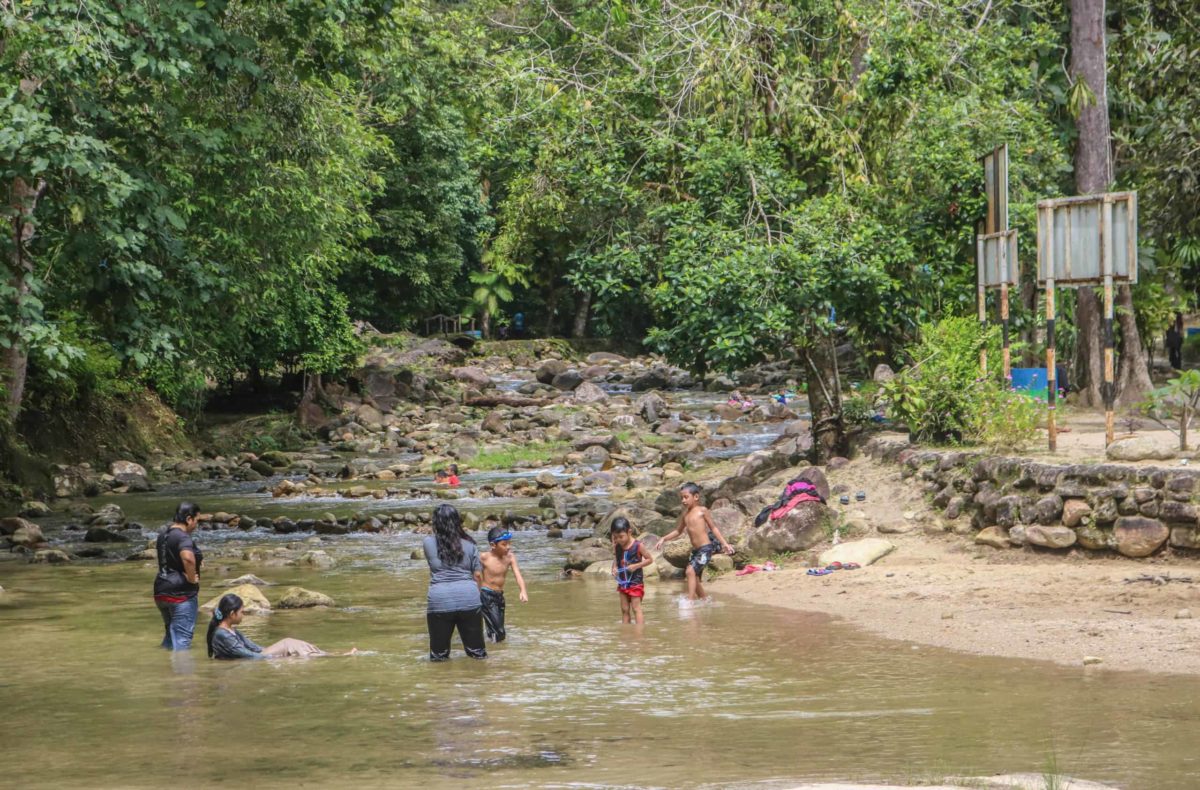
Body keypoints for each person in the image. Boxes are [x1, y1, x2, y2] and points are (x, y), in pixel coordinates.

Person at [423, 504, 487, 661]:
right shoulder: (471, 545)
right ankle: (481, 682)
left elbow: (434, 567)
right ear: (458, 522)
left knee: (439, 656)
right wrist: (476, 595)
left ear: (436, 523)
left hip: (440, 600)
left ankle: (443, 683)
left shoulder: (428, 543)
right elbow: (478, 575)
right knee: (477, 653)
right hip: (469, 598)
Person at [205, 594, 356, 659]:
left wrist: (279, 653)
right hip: (252, 659)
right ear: (232, 614)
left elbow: (254, 647)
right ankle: (334, 656)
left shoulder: (229, 630)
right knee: (288, 643)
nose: (243, 615)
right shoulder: (222, 634)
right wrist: (276, 658)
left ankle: (330, 655)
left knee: (295, 648)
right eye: (241, 612)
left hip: (256, 655)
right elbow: (248, 655)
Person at [657, 482, 734, 601]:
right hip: (696, 550)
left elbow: (713, 528)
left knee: (690, 571)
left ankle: (690, 600)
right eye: (681, 497)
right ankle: (704, 599)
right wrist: (664, 538)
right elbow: (678, 531)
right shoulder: (685, 515)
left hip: (706, 548)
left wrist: (725, 544)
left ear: (696, 497)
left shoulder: (702, 511)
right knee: (694, 577)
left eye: (686, 497)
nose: (683, 500)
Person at [154, 502, 204, 650]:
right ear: (189, 519)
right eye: (197, 520)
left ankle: (166, 671)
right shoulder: (183, 537)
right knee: (182, 640)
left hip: (161, 592)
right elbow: (187, 558)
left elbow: (171, 557)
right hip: (181, 594)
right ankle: (182, 673)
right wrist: (190, 577)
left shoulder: (164, 535)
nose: (197, 525)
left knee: (171, 637)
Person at [479, 525, 528, 642]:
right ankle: (496, 651)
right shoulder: (484, 557)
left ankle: (493, 651)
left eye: (509, 543)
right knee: (500, 631)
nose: (508, 547)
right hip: (486, 595)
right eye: (504, 544)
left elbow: (518, 575)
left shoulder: (510, 557)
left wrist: (523, 591)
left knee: (496, 628)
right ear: (493, 545)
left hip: (499, 596)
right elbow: (474, 574)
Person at [610, 518, 653, 624]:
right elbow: (616, 559)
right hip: (622, 583)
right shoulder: (617, 546)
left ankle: (639, 633)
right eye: (615, 537)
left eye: (621, 537)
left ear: (629, 532)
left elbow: (650, 560)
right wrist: (614, 568)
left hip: (635, 582)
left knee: (636, 608)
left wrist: (636, 566)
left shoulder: (638, 545)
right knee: (624, 609)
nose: (619, 540)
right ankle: (626, 633)